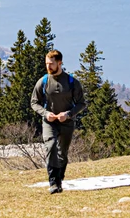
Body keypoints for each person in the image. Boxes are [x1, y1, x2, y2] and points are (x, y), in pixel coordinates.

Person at [30, 49, 86, 194]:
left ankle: (59, 179)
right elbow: (34, 102)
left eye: (51, 64)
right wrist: (45, 113)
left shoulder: (71, 82)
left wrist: (68, 114)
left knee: (63, 154)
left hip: (67, 123)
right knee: (51, 146)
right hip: (49, 122)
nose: (48, 67)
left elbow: (81, 103)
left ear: (59, 63)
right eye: (47, 63)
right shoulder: (43, 81)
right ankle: (53, 183)